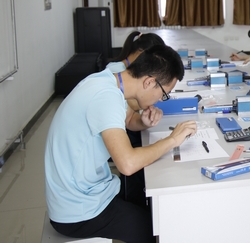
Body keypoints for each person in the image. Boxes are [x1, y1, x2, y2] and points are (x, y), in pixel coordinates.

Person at [45, 45, 197, 243]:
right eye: (163, 94)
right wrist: (173, 140)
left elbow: (127, 120)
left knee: (145, 195)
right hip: (78, 210)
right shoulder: (105, 97)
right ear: (149, 82)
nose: (160, 100)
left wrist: (143, 122)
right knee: (160, 230)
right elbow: (127, 164)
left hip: (87, 191)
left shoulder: (106, 81)